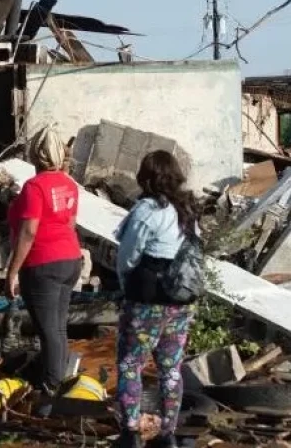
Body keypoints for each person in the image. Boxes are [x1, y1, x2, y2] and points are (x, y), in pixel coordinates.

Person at [112, 151, 200, 448]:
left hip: (146, 302)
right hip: (181, 303)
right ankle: (168, 434)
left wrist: (127, 287)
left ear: (145, 177)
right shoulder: (186, 210)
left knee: (130, 364)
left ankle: (132, 432)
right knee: (171, 369)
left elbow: (127, 257)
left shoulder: (147, 210)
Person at [5, 125, 83, 416]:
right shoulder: (69, 184)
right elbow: (71, 224)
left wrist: (13, 271)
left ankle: (50, 398)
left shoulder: (35, 187)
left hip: (43, 264)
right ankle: (58, 388)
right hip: (70, 260)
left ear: (35, 155)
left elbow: (28, 232)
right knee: (59, 329)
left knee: (48, 331)